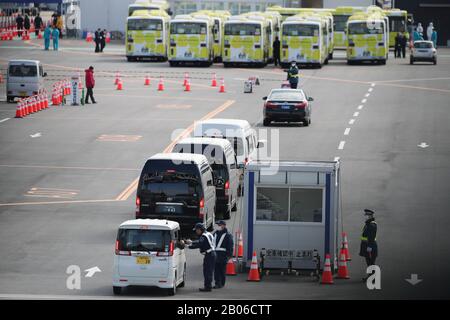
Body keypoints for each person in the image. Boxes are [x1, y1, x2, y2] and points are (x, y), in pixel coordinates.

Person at [185, 223, 216, 292]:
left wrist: (188, 246)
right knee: (208, 271)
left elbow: (199, 244)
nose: (196, 231)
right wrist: (192, 242)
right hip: (211, 254)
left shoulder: (203, 236)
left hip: (209, 255)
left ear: (200, 229)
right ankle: (208, 286)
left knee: (207, 271)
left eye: (196, 230)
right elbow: (200, 242)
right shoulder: (208, 234)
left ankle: (208, 287)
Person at [213, 220, 234, 289]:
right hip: (215, 254)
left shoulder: (228, 235)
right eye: (217, 225)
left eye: (219, 225)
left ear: (223, 225)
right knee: (216, 270)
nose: (218, 226)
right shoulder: (215, 233)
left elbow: (230, 246)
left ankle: (221, 283)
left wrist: (229, 255)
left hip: (223, 255)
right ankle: (217, 283)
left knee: (222, 270)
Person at [359, 209, 378, 282]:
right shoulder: (368, 224)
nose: (365, 216)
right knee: (369, 263)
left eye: (367, 215)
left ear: (370, 216)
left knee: (371, 263)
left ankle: (373, 278)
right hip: (366, 246)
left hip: (370, 247)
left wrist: (369, 247)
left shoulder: (372, 225)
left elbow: (371, 238)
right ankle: (371, 277)